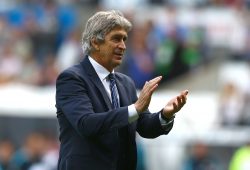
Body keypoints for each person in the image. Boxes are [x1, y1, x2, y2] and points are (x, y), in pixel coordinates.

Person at [55, 10, 189, 170]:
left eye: (125, 39)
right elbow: (86, 124)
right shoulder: (72, 78)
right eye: (116, 39)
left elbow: (144, 126)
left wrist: (165, 115)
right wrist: (135, 108)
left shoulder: (126, 83)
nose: (123, 46)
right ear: (95, 42)